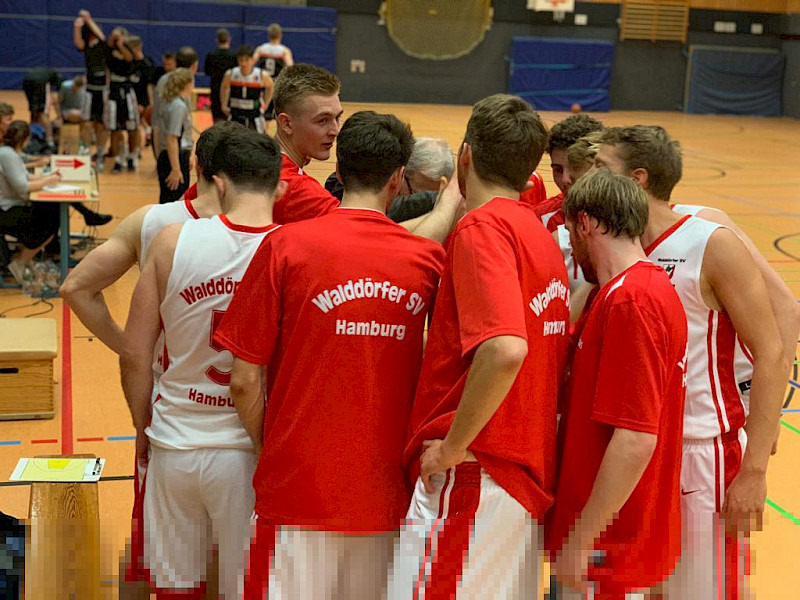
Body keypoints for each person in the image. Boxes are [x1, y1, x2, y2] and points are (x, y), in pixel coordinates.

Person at [213, 110, 446, 599]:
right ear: (397, 178)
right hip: (384, 498)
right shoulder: (426, 262)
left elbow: (243, 380)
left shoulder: (284, 246)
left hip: (295, 488)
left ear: (338, 171)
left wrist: (268, 446)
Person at [594, 125, 792, 599]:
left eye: (602, 168)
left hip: (702, 451)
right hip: (638, 449)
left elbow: (774, 350)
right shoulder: (614, 243)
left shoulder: (710, 241)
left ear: (638, 178)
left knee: (704, 591)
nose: (588, 177)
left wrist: (756, 463)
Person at [389, 95, 570, 599]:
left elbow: (505, 348)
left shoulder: (483, 228)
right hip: (519, 475)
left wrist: (451, 447)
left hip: (476, 472)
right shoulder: (536, 233)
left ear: (464, 154)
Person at [120, 128, 284, 599]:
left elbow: (135, 354)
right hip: (250, 452)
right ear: (277, 184)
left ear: (220, 183)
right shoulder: (294, 249)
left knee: (175, 590)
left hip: (175, 441)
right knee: (247, 589)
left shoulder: (171, 242)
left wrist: (142, 423)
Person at [548, 168, 688, 598]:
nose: (571, 246)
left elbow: (634, 439)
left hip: (608, 552)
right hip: (612, 544)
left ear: (586, 223)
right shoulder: (620, 293)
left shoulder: (633, 302)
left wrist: (582, 541)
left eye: (571, 232)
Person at [60, 121, 242, 355]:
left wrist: (130, 350)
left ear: (193, 164)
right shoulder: (267, 230)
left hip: (167, 383)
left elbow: (75, 287)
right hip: (243, 384)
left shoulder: (150, 220)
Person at [0, 121, 61, 282]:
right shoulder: (8, 155)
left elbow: (25, 176)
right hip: (7, 210)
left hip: (12, 205)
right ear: (24, 139)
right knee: (49, 223)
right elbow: (22, 187)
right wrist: (48, 182)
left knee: (51, 210)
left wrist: (49, 178)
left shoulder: (10, 153)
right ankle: (20, 262)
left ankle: (26, 258)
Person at [530, 114, 604, 231]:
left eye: (575, 167)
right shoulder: (539, 221)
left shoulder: (632, 217)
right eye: (558, 170)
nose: (565, 179)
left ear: (599, 165)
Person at [73, 10, 109, 166]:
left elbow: (102, 37)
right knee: (86, 122)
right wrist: (76, 26)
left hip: (103, 90)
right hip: (90, 89)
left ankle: (100, 153)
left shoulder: (103, 45)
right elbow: (78, 43)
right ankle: (85, 151)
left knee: (102, 124)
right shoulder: (87, 46)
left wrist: (88, 19)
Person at [152, 47, 198, 166]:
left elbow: (156, 120)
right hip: (176, 148)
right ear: (194, 65)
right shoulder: (185, 83)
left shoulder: (163, 79)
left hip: (164, 145)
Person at [104, 27, 139, 174]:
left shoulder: (129, 52)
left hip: (127, 94)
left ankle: (131, 157)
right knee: (116, 130)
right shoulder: (109, 53)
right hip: (114, 94)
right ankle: (118, 159)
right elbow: (108, 46)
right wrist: (114, 39)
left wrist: (121, 43)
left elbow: (129, 58)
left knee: (132, 129)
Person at [157, 68, 194, 204]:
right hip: (174, 158)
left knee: (168, 202)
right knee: (174, 204)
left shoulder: (169, 101)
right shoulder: (178, 106)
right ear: (187, 84)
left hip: (172, 156)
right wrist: (176, 168)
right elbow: (171, 138)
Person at [220, 45, 274, 133]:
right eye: (241, 60)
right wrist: (223, 104)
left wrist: (266, 104)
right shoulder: (231, 74)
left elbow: (271, 86)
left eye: (247, 60)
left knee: (257, 143)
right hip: (235, 115)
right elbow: (223, 86)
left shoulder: (261, 75)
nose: (243, 64)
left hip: (254, 117)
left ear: (253, 60)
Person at [253, 23, 294, 120]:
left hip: (263, 84)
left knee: (262, 111)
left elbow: (251, 63)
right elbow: (290, 67)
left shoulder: (261, 48)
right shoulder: (284, 51)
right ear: (280, 35)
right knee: (277, 113)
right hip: (277, 84)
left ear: (268, 35)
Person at [21, 67, 63, 153]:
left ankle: (31, 135)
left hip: (27, 81)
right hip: (40, 82)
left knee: (33, 109)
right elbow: (57, 99)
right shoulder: (61, 82)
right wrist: (60, 116)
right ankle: (49, 140)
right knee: (42, 112)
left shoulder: (49, 72)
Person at [204, 29, 237, 122]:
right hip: (230, 90)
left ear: (217, 40)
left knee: (216, 116)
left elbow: (207, 71)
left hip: (215, 88)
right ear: (229, 39)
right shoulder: (234, 55)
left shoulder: (211, 54)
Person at [58, 75, 90, 153]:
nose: (75, 88)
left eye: (78, 88)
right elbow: (59, 101)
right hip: (66, 111)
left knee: (87, 122)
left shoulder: (85, 89)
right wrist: (59, 115)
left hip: (79, 112)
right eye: (74, 86)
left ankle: (83, 145)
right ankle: (66, 146)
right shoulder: (65, 86)